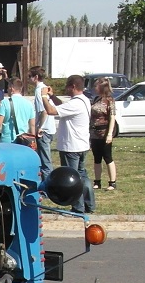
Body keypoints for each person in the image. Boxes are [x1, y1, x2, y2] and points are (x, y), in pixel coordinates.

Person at [40, 75, 95, 214]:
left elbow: (52, 111)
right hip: (82, 145)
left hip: (71, 146)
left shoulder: (75, 103)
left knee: (72, 180)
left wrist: (44, 97)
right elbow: (63, 108)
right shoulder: (83, 100)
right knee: (82, 176)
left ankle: (78, 207)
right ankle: (89, 204)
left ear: (73, 87)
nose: (66, 89)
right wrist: (53, 97)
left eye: (67, 86)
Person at [89, 77, 118, 190]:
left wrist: (110, 133)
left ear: (102, 87)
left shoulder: (110, 100)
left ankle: (112, 182)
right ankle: (97, 181)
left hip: (104, 132)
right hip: (94, 133)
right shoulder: (96, 99)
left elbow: (112, 117)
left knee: (107, 156)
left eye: (96, 85)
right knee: (97, 158)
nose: (94, 88)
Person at [29, 66, 56, 180]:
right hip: (49, 128)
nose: (29, 78)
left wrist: (40, 127)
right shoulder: (45, 88)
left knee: (45, 161)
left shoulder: (40, 90)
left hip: (44, 131)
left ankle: (49, 187)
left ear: (36, 77)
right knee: (44, 159)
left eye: (30, 76)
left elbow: (44, 110)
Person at [0, 78, 36, 144]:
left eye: (8, 88)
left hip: (8, 140)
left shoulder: (5, 102)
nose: (7, 90)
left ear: (11, 88)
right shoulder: (29, 103)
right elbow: (32, 125)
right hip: (23, 140)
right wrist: (33, 140)